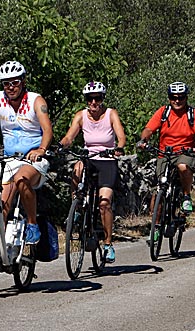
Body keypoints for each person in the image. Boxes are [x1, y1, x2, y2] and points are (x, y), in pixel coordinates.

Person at [0, 61, 53, 244]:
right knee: (0, 204)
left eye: (15, 82)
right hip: (10, 158)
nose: (10, 87)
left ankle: (32, 224)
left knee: (22, 180)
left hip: (33, 158)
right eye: (6, 83)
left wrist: (41, 150)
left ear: (23, 81)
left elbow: (47, 130)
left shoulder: (36, 100)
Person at [58, 81, 126, 263]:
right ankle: (77, 205)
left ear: (103, 99)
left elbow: (121, 136)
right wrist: (61, 145)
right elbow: (69, 136)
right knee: (77, 168)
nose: (94, 102)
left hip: (107, 160)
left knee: (104, 203)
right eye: (90, 99)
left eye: (97, 98)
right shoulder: (81, 116)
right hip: (90, 158)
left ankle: (108, 243)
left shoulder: (111, 114)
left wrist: (118, 148)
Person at [137, 81, 195, 215]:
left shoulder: (193, 114)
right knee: (160, 188)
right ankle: (156, 226)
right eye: (173, 97)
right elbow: (149, 129)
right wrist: (143, 140)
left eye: (181, 97)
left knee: (183, 166)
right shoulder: (163, 112)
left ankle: (186, 196)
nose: (177, 101)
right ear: (169, 98)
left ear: (186, 97)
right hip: (164, 152)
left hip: (184, 152)